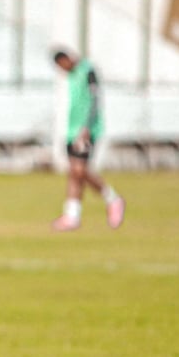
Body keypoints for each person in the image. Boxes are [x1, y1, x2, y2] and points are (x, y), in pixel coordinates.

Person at [51, 48, 125, 231]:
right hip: (71, 130)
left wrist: (86, 127)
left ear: (66, 59)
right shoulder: (71, 75)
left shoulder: (88, 70)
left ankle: (112, 198)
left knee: (79, 169)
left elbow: (94, 99)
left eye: (62, 65)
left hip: (86, 130)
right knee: (74, 173)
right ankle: (72, 215)